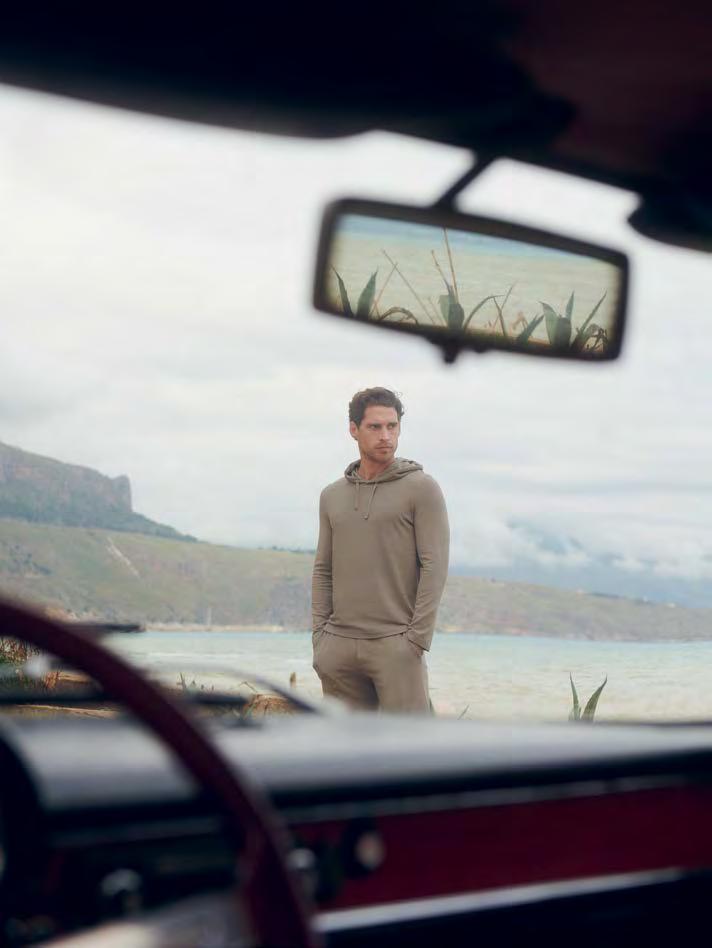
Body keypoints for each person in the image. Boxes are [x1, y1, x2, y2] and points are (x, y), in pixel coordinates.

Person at [312, 387, 449, 712]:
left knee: (408, 742)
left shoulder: (421, 488)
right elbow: (323, 568)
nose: (386, 436)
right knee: (346, 743)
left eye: (392, 426)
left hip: (396, 645)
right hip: (338, 647)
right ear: (354, 429)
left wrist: (416, 640)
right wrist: (320, 636)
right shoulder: (332, 495)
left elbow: (434, 566)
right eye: (375, 427)